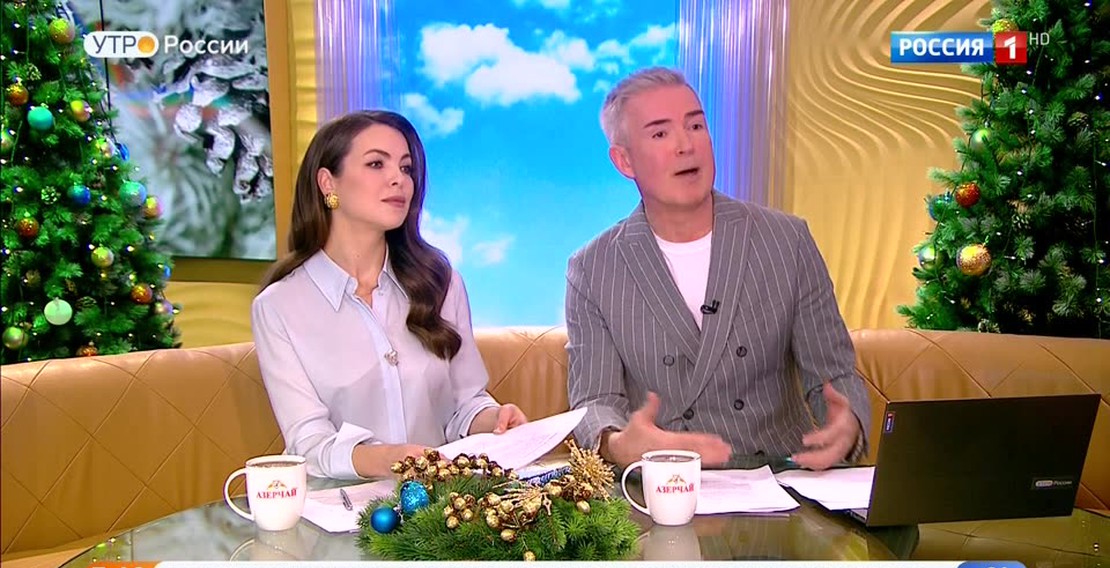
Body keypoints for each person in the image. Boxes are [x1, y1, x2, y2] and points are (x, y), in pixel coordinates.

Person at [567, 67, 870, 471]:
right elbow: (594, 401)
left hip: (780, 477)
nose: (685, 145)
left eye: (695, 125)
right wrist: (619, 444)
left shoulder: (786, 240)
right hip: (665, 483)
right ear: (624, 160)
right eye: (660, 134)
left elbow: (834, 373)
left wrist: (847, 423)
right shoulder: (593, 268)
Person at [252, 110, 528, 480]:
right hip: (341, 504)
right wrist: (388, 459)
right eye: (376, 164)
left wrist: (495, 419)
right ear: (328, 183)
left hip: (440, 502)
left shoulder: (440, 283)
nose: (398, 179)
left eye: (406, 168)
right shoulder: (278, 307)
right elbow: (309, 442)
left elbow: (465, 404)